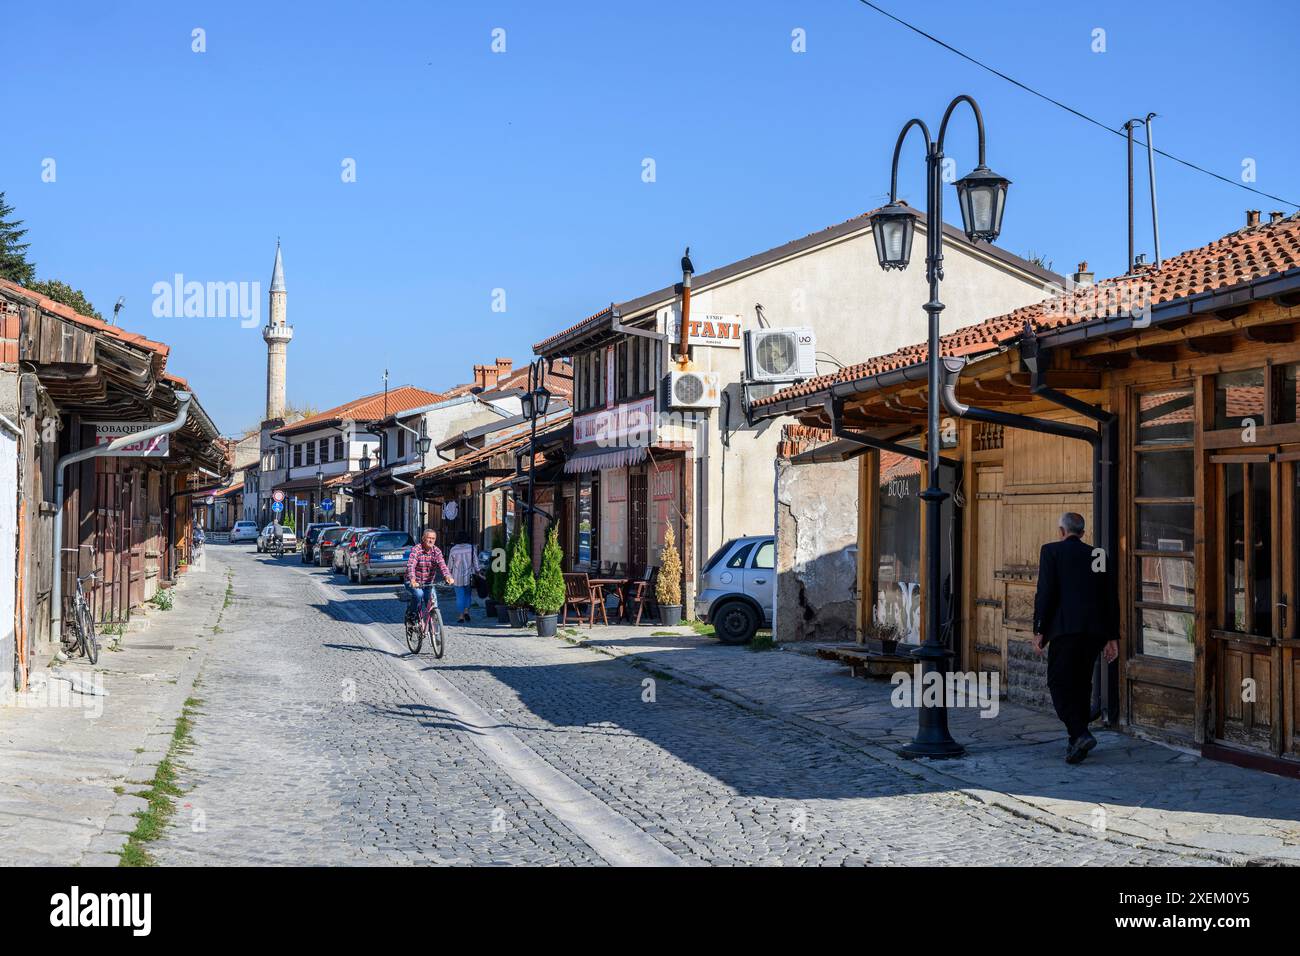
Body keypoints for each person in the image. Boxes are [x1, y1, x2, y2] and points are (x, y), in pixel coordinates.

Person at [1033, 512, 1119, 764]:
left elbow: (1045, 593)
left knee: (1058, 683)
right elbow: (1109, 598)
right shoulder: (1097, 555)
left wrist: (1039, 630)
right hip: (1094, 631)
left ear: (1062, 531)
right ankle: (1075, 741)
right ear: (1082, 532)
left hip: (1065, 630)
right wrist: (1112, 636)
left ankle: (1080, 733)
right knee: (1082, 683)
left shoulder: (1051, 552)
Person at [405, 528, 453, 626]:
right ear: (423, 538)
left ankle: (436, 633)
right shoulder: (417, 549)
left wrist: (447, 576)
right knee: (418, 594)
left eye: (433, 538)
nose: (431, 540)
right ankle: (412, 614)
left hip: (428, 583)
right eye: (429, 538)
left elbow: (442, 565)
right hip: (414, 581)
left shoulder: (436, 551)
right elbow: (411, 565)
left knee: (433, 604)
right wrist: (413, 580)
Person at [447, 533, 478, 624]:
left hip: (456, 577)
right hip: (469, 576)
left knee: (459, 596)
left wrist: (448, 575)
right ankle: (466, 611)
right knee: (468, 595)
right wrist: (478, 571)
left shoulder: (453, 549)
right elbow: (475, 562)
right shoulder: (471, 548)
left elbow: (450, 565)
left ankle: (461, 616)